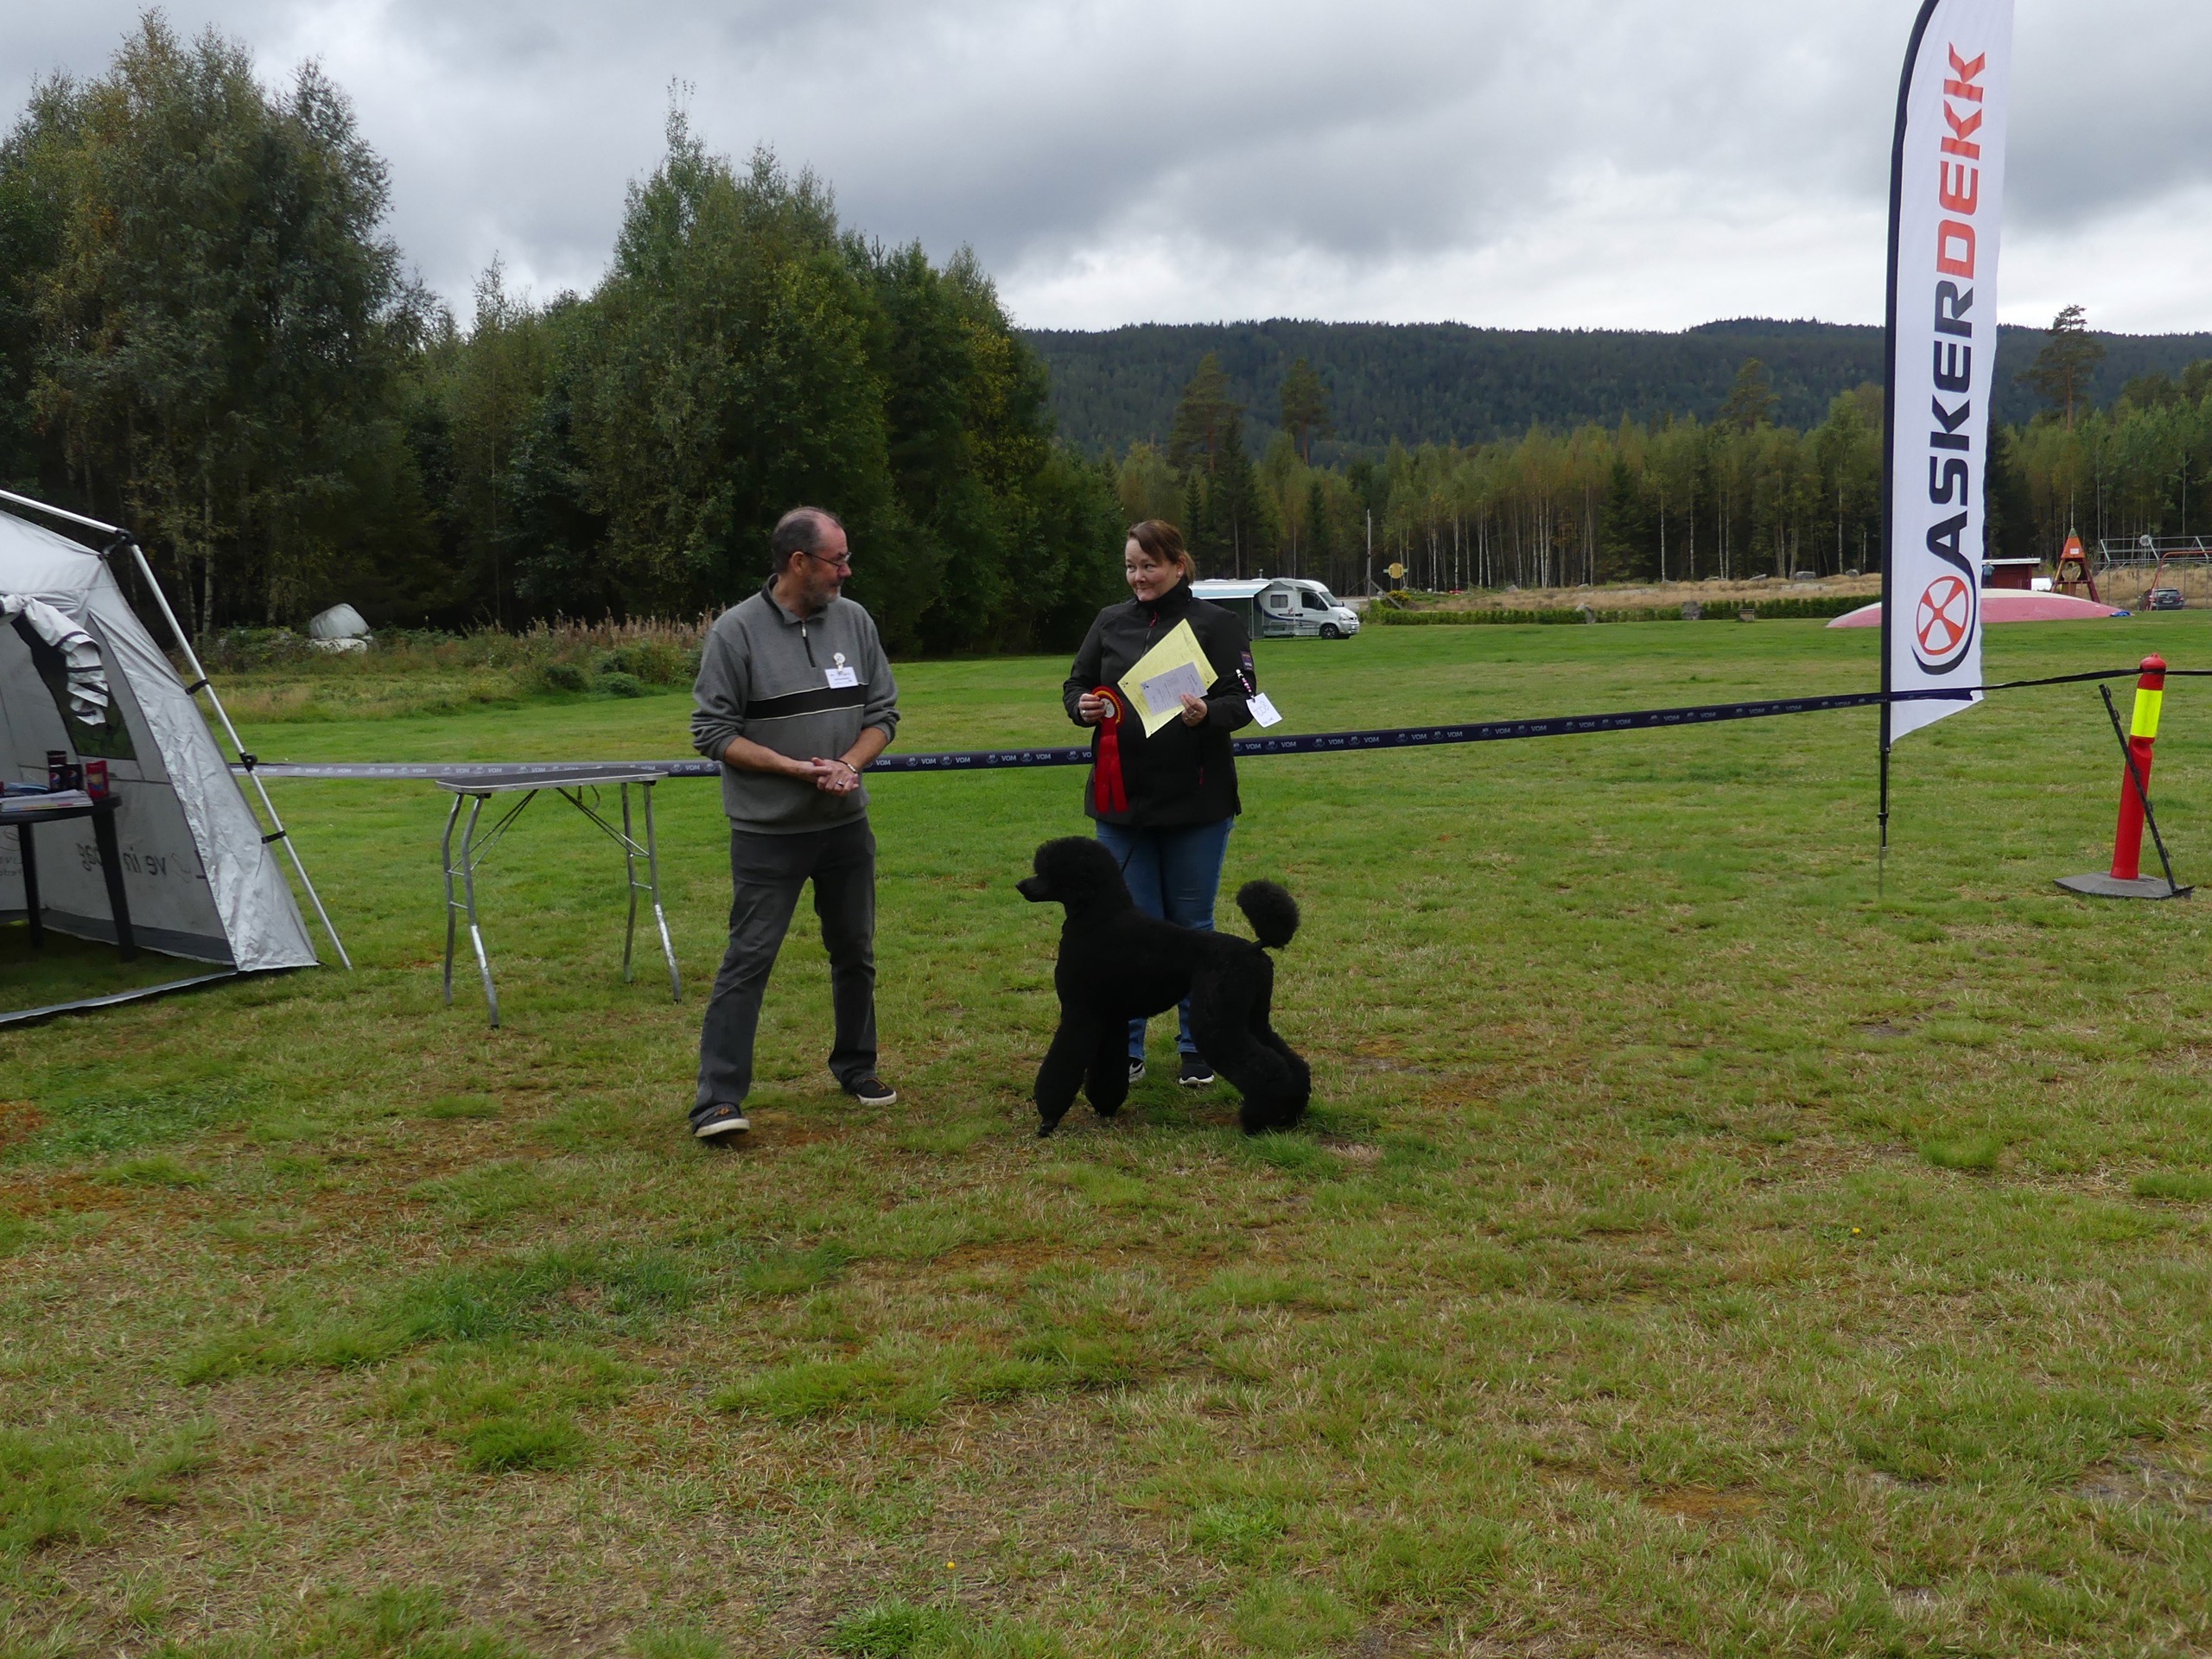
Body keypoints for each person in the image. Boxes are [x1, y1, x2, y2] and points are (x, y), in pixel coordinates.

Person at [688, 506, 900, 1139]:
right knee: (749, 959)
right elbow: (712, 732)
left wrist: (848, 765)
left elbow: (883, 714)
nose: (847, 570)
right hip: (768, 834)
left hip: (844, 827)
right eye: (838, 560)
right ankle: (717, 1100)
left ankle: (857, 1066)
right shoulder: (735, 632)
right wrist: (793, 770)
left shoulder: (855, 621)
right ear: (799, 562)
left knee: (855, 950)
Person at [1061, 518, 1257, 1087]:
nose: (1138, 577)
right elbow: (1076, 684)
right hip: (1121, 805)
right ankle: (1126, 1047)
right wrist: (1082, 707)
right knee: (1128, 929)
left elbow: (1245, 698)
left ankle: (1199, 1044)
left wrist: (1208, 713)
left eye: (1149, 566)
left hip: (1197, 804)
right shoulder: (1109, 622)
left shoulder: (1217, 624)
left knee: (1192, 927)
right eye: (1130, 566)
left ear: (1178, 565)